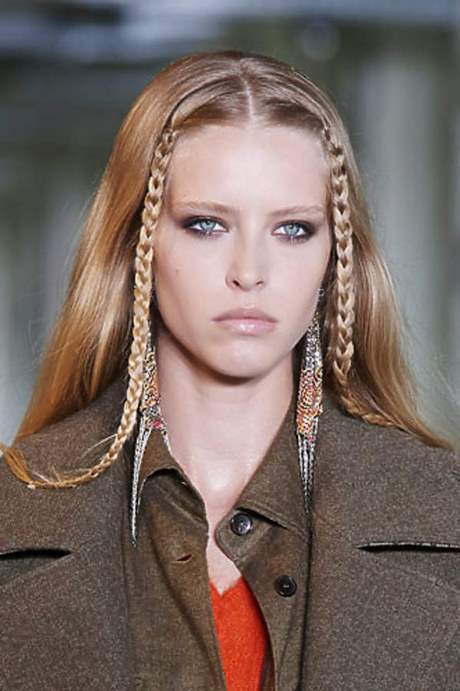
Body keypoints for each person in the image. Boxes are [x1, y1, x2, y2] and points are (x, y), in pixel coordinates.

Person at [0, 50, 458, 691]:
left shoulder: (443, 516)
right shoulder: (15, 515)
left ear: (335, 259)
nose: (250, 271)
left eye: (293, 229)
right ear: (137, 243)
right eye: (206, 224)